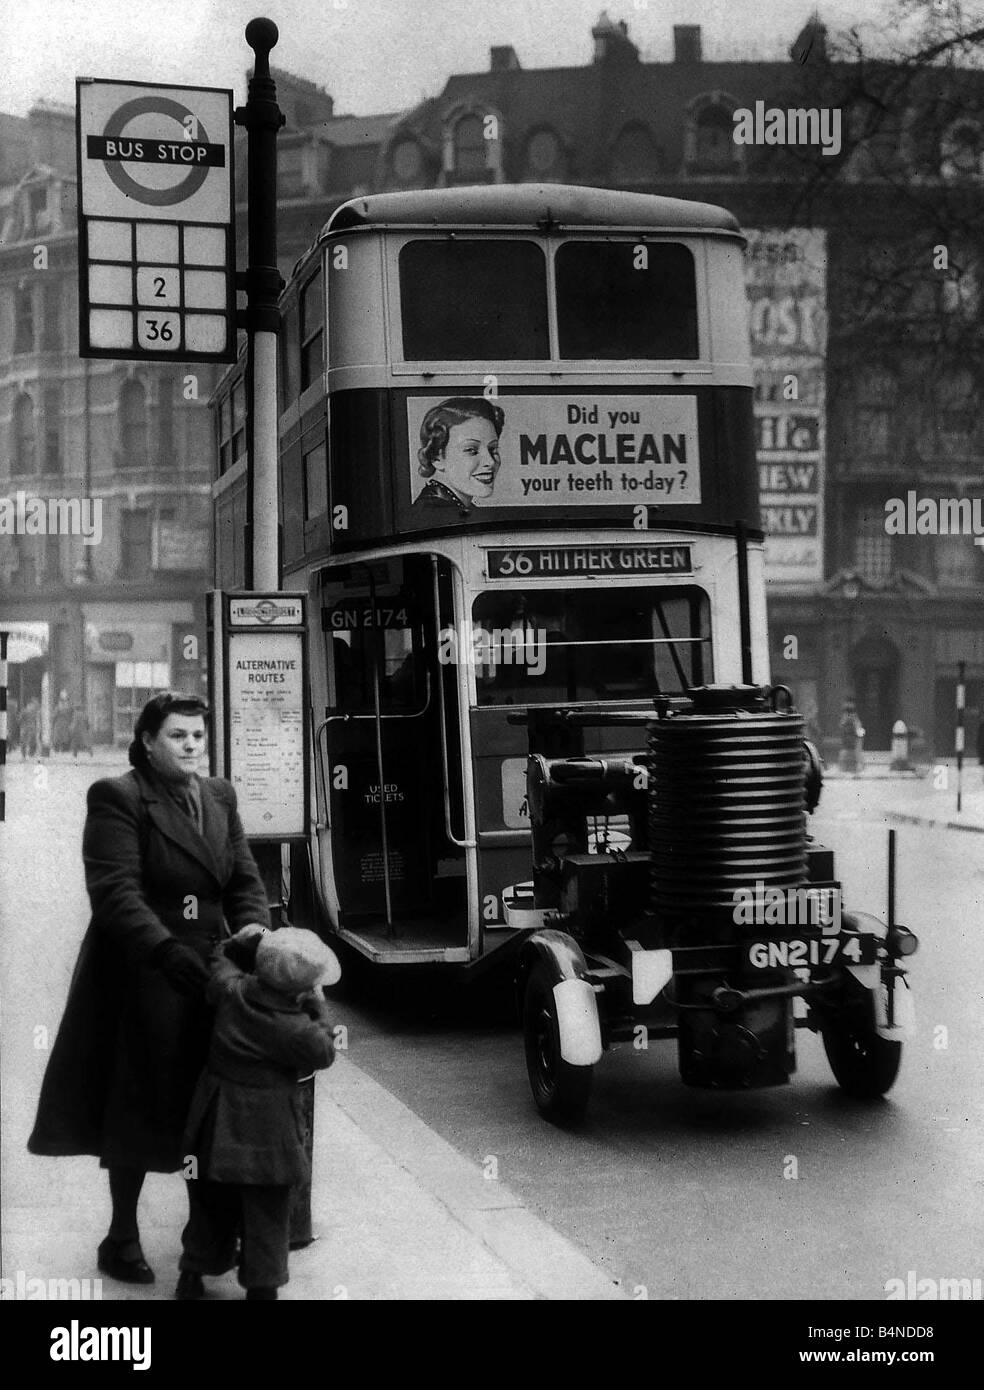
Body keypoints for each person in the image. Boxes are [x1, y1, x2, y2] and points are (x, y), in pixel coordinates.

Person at [28, 692, 271, 1287]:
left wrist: (255, 935)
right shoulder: (119, 797)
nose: (191, 746)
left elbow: (242, 877)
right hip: (141, 971)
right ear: (147, 742)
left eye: (197, 736)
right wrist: (164, 951)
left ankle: (203, 1239)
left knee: (206, 1104)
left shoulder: (219, 796)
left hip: (212, 969)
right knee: (136, 1104)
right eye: (178, 736)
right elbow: (115, 891)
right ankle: (122, 1234)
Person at [176, 925, 339, 1301]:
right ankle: (261, 1285)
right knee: (267, 1211)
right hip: (270, 1134)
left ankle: (193, 1272)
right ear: (300, 988)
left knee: (210, 1204)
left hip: (216, 1121)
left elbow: (220, 960)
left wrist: (241, 942)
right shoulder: (297, 1030)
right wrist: (317, 1006)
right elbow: (325, 1052)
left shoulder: (230, 994)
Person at [412, 396, 505, 515]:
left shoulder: (457, 508)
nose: (491, 462)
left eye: (493, 449)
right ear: (437, 458)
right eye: (471, 450)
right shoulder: (433, 512)